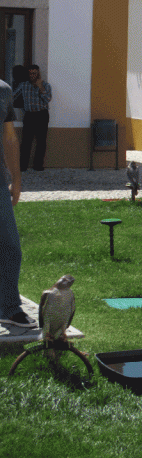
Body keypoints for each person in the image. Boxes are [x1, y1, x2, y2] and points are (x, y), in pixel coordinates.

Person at [0, 78, 36, 328]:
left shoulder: (3, 91)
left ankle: (9, 307)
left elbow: (9, 136)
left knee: (11, 247)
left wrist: (17, 177)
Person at [14, 64, 52, 172]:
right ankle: (23, 166)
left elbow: (48, 99)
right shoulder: (23, 85)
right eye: (30, 73)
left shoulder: (46, 85)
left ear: (38, 73)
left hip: (42, 115)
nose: (32, 75)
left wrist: (40, 88)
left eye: (34, 73)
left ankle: (38, 166)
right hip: (29, 115)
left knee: (41, 141)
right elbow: (14, 95)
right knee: (26, 141)